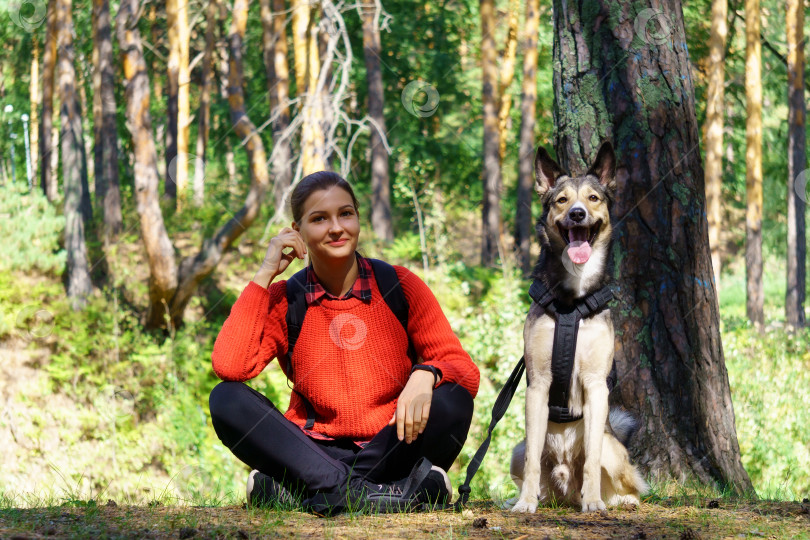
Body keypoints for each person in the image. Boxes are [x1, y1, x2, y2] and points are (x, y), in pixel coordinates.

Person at [208, 171, 480, 515]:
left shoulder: (400, 284)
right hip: (313, 452)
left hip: (394, 443)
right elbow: (230, 366)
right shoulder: (286, 299)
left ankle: (312, 494)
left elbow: (466, 371)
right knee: (226, 398)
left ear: (357, 220)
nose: (336, 228)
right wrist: (265, 274)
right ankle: (392, 494)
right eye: (319, 219)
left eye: (345, 214)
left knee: (454, 398)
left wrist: (427, 373)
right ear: (297, 230)